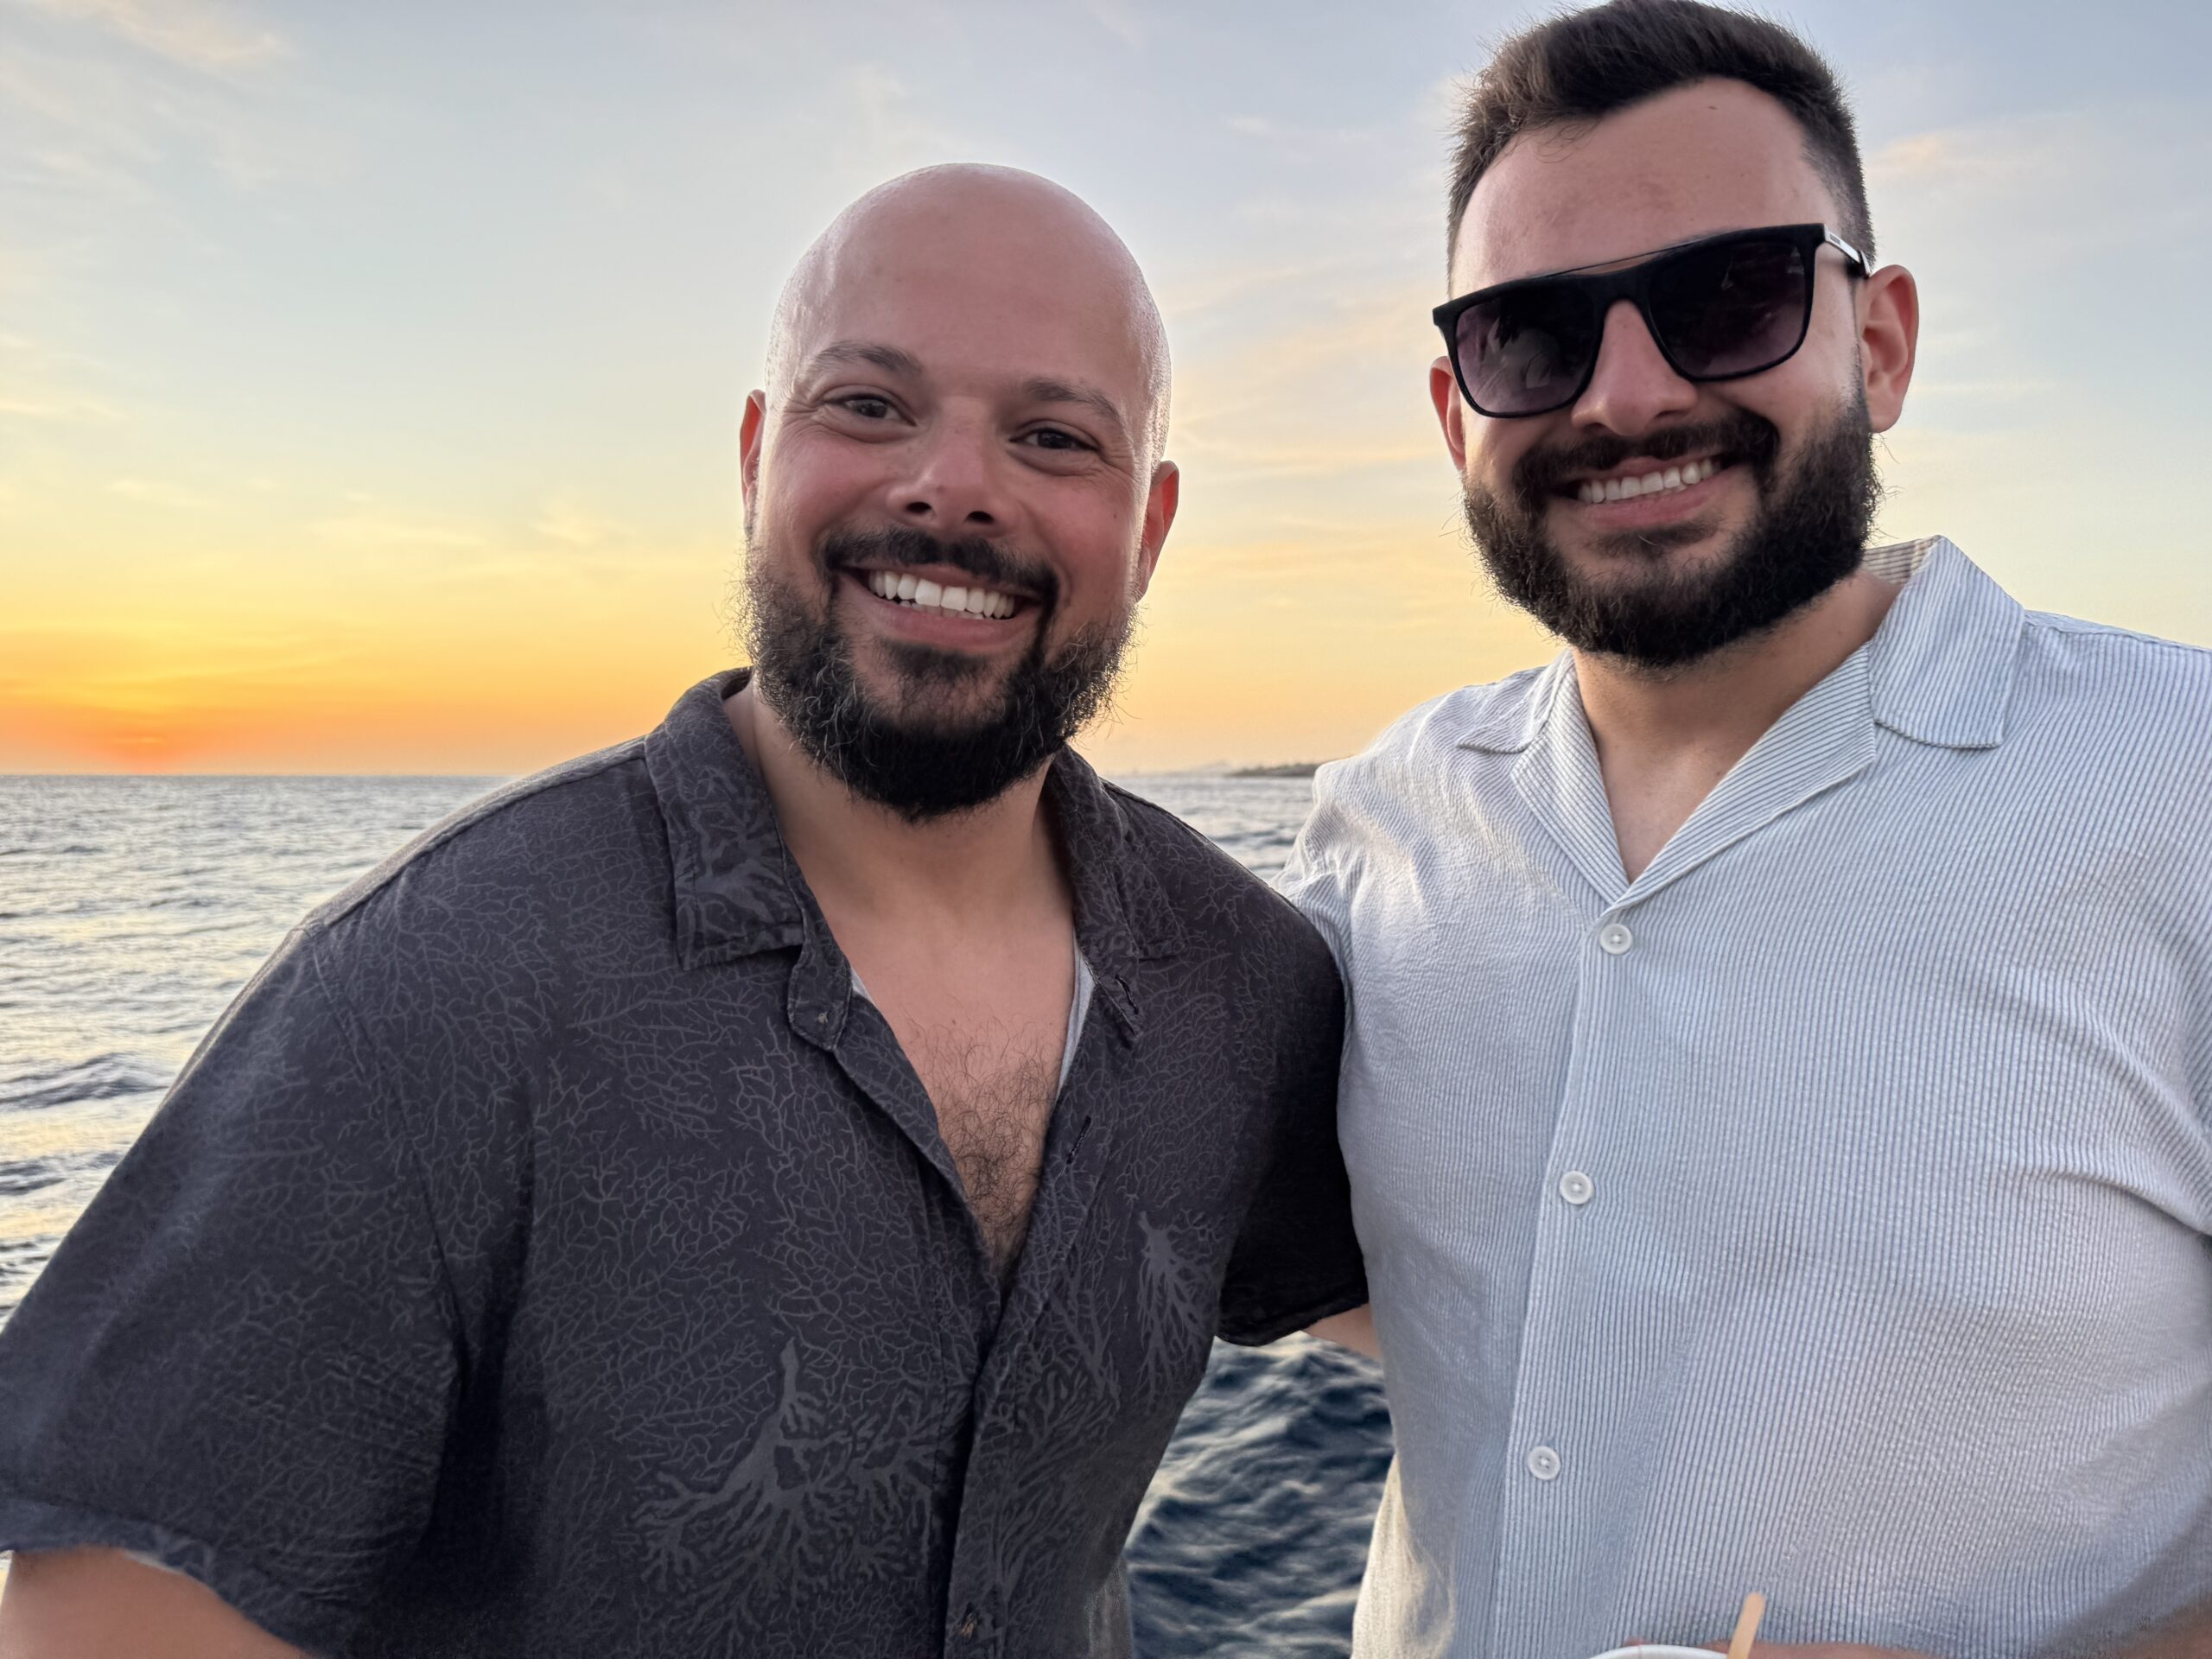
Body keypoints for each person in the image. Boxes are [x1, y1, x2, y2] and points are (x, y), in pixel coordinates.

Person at [0, 164, 1365, 1659]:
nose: (953, 486)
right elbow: (106, 1618)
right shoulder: (433, 984)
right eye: (869, 406)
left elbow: (1450, 1321)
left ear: (1150, 525)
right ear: (756, 457)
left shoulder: (1241, 984)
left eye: (1053, 437)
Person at [1280, 3, 2212, 1656]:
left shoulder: (2179, 784)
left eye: (1730, 297)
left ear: (1881, 341)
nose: (1629, 395)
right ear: (1453, 411)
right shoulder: (1381, 829)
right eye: (1531, 336)